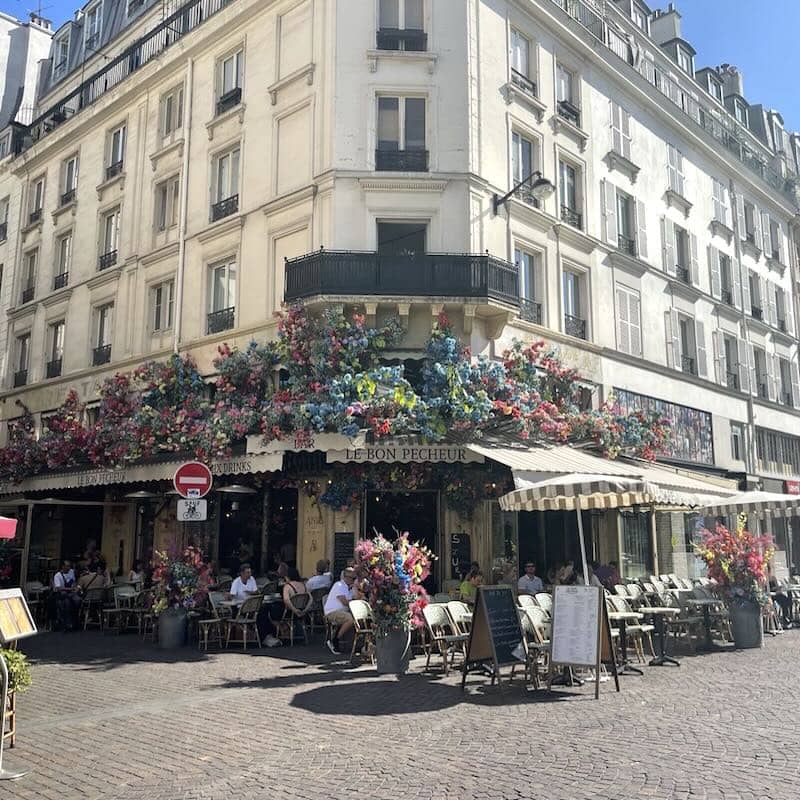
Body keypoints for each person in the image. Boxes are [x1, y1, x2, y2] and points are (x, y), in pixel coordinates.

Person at [323, 567, 356, 654]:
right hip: (332, 612)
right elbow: (345, 602)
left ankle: (355, 645)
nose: (354, 580)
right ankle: (335, 640)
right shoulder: (339, 585)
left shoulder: (349, 588)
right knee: (350, 619)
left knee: (357, 619)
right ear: (346, 577)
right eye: (353, 578)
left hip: (342, 612)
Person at [52, 561, 81, 630]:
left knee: (77, 600)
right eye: (67, 566)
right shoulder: (57, 576)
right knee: (68, 602)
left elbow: (74, 581)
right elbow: (58, 588)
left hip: (71, 593)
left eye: (69, 566)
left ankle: (75, 621)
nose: (69, 568)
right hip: (62, 594)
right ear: (63, 567)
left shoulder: (71, 572)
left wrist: (75, 587)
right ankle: (67, 623)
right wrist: (70, 589)